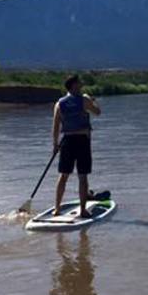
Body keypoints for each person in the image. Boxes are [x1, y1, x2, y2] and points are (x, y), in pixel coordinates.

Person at [52, 74, 102, 217]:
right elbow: (98, 112)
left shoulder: (59, 103)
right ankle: (83, 210)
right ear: (74, 85)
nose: (81, 84)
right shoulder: (84, 100)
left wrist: (55, 145)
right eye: (79, 83)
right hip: (82, 141)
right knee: (83, 176)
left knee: (63, 176)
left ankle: (57, 209)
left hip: (66, 141)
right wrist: (93, 100)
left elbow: (55, 126)